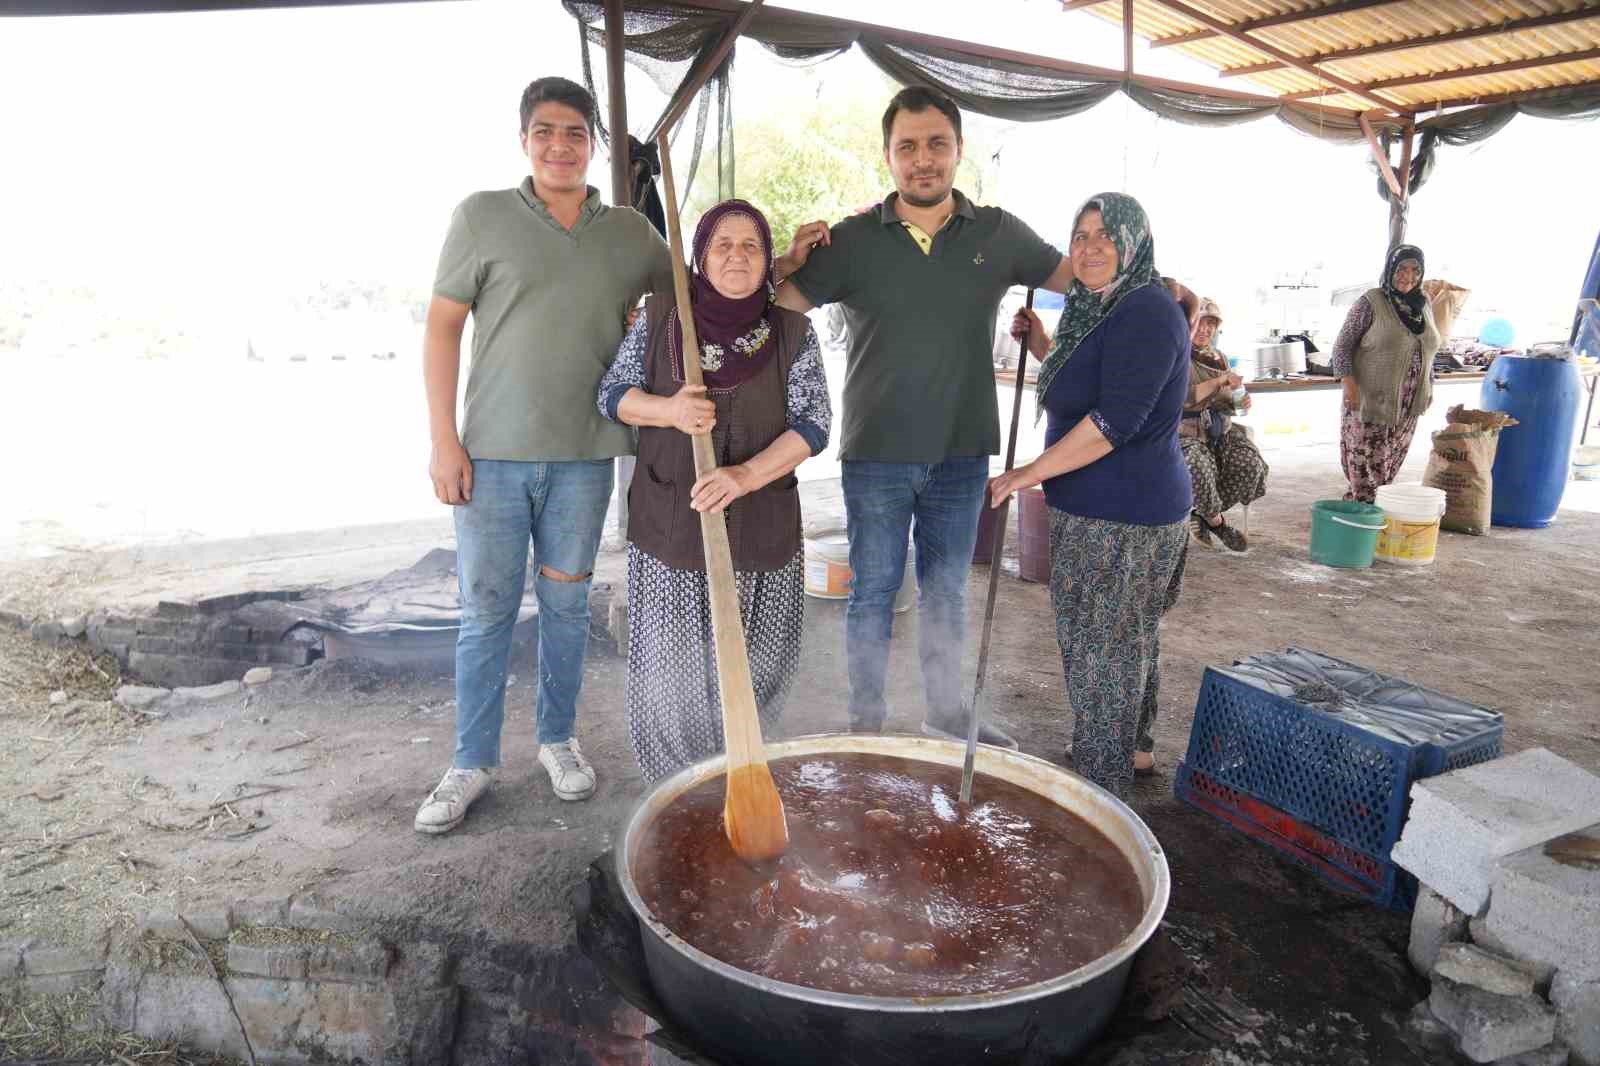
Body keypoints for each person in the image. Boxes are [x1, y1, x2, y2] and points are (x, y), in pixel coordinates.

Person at [771, 87, 1100, 749]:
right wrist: (784, 260)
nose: (923, 159)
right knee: (874, 593)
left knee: (946, 591)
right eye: (908, 147)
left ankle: (946, 714)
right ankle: (866, 725)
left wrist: (1149, 288)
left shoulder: (998, 233)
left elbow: (1086, 281)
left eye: (936, 144)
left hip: (962, 452)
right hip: (876, 453)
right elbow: (776, 310)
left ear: (958, 149)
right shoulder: (851, 240)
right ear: (888, 156)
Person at [415, 77, 674, 834]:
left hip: (586, 458)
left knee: (565, 608)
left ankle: (558, 740)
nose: (560, 145)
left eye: (574, 133)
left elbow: (706, 294)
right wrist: (443, 440)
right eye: (545, 132)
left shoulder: (629, 232)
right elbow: (442, 329)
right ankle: (471, 761)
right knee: (486, 611)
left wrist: (783, 261)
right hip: (490, 458)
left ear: (594, 143)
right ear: (524, 140)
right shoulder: (482, 217)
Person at [598, 199, 831, 782]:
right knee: (673, 674)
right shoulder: (660, 319)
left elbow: (814, 424)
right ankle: (679, 790)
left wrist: (744, 476)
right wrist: (669, 410)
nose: (737, 256)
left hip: (763, 532)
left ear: (768, 260)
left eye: (751, 245)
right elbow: (612, 394)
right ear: (701, 257)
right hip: (672, 533)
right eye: (722, 244)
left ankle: (743, 775)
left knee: (758, 665)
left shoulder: (794, 333)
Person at [990, 193, 1190, 799]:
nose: (1091, 247)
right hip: (1110, 507)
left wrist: (1025, 473)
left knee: (1101, 647)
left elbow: (1113, 421)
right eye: (1080, 236)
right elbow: (1094, 381)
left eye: (1106, 235)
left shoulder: (1147, 310)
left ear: (1134, 242)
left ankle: (1102, 790)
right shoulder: (1102, 307)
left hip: (1121, 515)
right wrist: (1040, 344)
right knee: (1129, 637)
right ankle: (1132, 748)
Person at [1330, 244, 1441, 503]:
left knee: (1388, 469)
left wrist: (1429, 386)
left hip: (1409, 405)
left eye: (1415, 270)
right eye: (1401, 269)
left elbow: (1428, 349)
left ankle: (1366, 512)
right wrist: (1350, 387)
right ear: (1390, 269)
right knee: (1368, 472)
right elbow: (1341, 347)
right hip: (1371, 400)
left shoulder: (1423, 304)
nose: (1408, 276)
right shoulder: (1371, 302)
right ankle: (1365, 515)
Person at [1182, 298, 1268, 552]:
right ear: (1188, 324)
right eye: (1200, 322)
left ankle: (1201, 515)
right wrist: (1218, 383)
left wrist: (1238, 399)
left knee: (1250, 465)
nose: (1205, 329)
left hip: (1219, 431)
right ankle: (1216, 522)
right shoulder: (1174, 355)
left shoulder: (1218, 358)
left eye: (1211, 324)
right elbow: (1182, 398)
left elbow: (1227, 402)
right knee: (1197, 464)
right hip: (1184, 433)